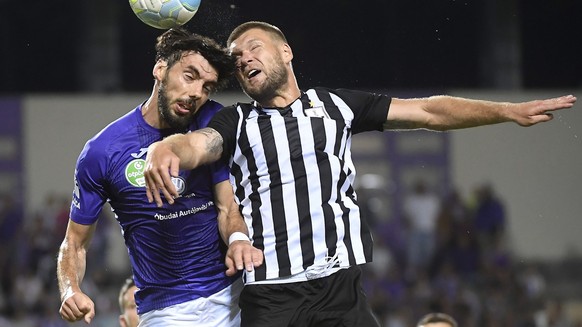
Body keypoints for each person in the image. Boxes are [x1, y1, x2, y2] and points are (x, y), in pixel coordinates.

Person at [142, 21, 577, 327]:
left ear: (286, 51)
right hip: (271, 295)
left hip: (341, 290)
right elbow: (198, 145)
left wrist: (505, 111)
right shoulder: (237, 121)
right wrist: (167, 147)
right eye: (237, 59)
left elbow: (429, 110)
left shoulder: (337, 106)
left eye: (254, 47)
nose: (244, 59)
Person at [57, 27, 263, 326]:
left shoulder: (212, 123)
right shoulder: (103, 151)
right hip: (166, 311)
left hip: (233, 296)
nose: (196, 93)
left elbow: (227, 207)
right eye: (190, 76)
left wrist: (238, 239)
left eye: (207, 86)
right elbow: (74, 243)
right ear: (160, 68)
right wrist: (69, 289)